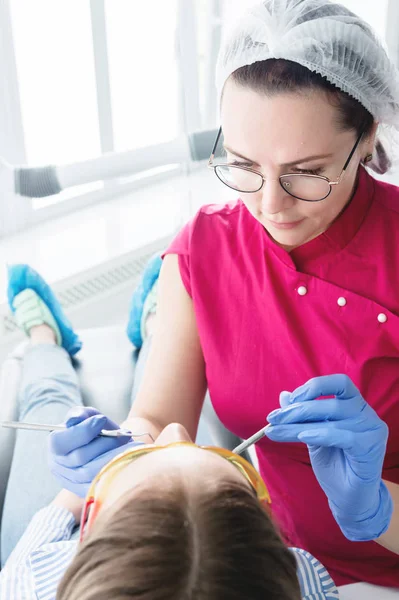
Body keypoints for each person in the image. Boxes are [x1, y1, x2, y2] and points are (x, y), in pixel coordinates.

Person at [45, 0, 399, 588]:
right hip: (261, 562)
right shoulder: (205, 247)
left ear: (366, 139)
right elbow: (158, 420)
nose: (268, 206)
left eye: (306, 172)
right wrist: (120, 455)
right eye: (243, 165)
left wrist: (378, 507)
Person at [0, 266, 339, 600]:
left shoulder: (27, 579)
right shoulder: (302, 578)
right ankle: (155, 329)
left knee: (48, 399)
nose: (176, 430)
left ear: (90, 526)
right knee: (171, 368)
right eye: (204, 452)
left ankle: (44, 337)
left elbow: (50, 525)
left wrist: (89, 485)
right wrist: (122, 481)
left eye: (143, 459)